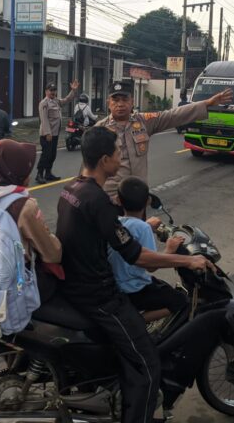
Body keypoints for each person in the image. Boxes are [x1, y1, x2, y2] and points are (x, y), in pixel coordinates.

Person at [56, 126, 215, 423]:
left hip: (76, 284)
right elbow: (138, 256)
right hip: (98, 296)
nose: (121, 156)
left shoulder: (72, 189)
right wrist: (186, 262)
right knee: (147, 364)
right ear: (105, 160)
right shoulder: (98, 201)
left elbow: (108, 235)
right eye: (117, 152)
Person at [96, 80, 233, 197]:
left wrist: (207, 103)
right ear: (108, 103)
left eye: (125, 99)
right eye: (115, 100)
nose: (120, 104)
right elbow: (89, 168)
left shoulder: (143, 122)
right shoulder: (99, 130)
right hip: (111, 197)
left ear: (132, 102)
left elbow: (172, 115)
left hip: (138, 196)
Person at [0, 139, 63, 299]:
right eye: (26, 167)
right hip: (13, 288)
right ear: (14, 171)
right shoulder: (24, 206)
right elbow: (51, 252)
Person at [107, 176, 189, 325]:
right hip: (133, 288)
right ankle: (135, 323)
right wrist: (170, 249)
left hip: (116, 285)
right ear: (147, 202)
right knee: (180, 300)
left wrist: (146, 224)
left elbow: (130, 233)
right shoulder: (143, 228)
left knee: (162, 286)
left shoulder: (116, 221)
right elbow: (152, 266)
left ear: (119, 200)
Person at [37, 80, 79, 184]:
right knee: (46, 155)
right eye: (51, 90)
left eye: (54, 90)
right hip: (47, 135)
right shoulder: (44, 103)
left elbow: (67, 100)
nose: (53, 92)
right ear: (46, 91)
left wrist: (73, 91)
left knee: (52, 155)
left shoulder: (56, 101)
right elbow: (44, 119)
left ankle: (48, 173)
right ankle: (39, 174)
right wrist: (48, 133)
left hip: (55, 134)